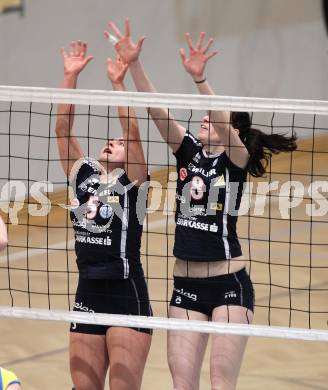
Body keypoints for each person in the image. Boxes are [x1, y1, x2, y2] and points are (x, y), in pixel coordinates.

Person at [107, 19, 297, 390]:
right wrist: (134, 66)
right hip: (186, 287)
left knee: (219, 383)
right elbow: (157, 111)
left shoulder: (235, 161)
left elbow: (224, 121)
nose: (204, 119)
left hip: (229, 285)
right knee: (183, 385)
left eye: (214, 118)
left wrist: (199, 80)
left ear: (234, 133)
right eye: (205, 116)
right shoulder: (189, 153)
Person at [55, 40, 152, 390]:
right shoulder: (83, 175)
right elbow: (63, 131)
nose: (113, 142)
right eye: (109, 140)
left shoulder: (134, 183)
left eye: (119, 143)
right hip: (87, 293)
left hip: (126, 292)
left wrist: (118, 84)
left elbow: (134, 134)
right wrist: (70, 77)